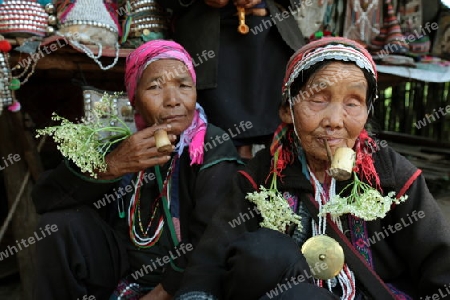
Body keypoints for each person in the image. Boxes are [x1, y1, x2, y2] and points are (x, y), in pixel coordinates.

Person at [173, 37, 450, 300]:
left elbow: (440, 263)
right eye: (318, 99)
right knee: (264, 253)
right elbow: (212, 258)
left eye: (353, 103)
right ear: (287, 110)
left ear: (366, 113)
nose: (335, 120)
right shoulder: (262, 174)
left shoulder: (390, 173)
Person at [31, 40, 243, 300]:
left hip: (187, 280)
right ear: (134, 101)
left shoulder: (211, 145)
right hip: (124, 276)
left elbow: (214, 235)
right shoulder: (122, 146)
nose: (173, 101)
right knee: (58, 225)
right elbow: (44, 198)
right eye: (155, 87)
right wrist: (112, 166)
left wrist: (163, 292)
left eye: (184, 86)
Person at [161, 0, 305, 160]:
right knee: (223, 144)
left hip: (268, 34)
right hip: (208, 43)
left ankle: (275, 178)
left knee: (282, 141)